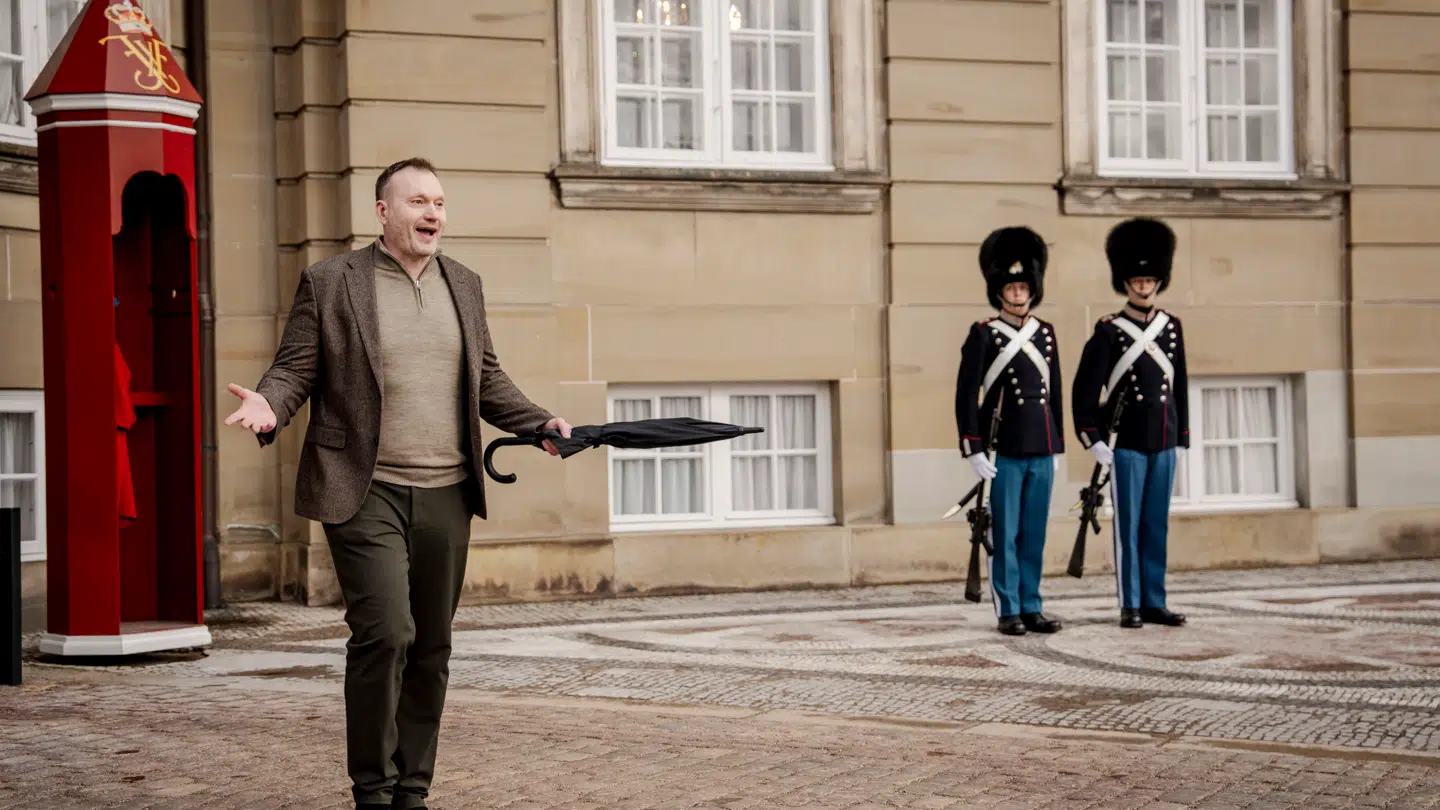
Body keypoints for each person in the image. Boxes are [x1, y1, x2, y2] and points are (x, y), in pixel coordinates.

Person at [223, 157, 572, 810]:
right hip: (364, 487)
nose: (432, 213)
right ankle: (373, 792)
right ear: (383, 212)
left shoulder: (463, 284)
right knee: (386, 632)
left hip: (447, 491)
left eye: (439, 202)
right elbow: (296, 367)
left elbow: (487, 378)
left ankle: (413, 791)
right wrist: (270, 404)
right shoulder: (332, 283)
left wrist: (539, 423)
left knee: (432, 646)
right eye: (417, 201)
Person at [1071, 217, 1189, 630]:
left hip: (1163, 438)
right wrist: (1093, 439)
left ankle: (1155, 600)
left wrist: (1182, 435)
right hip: (1126, 444)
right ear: (1125, 282)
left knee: (1156, 524)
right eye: (1137, 279)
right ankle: (1131, 603)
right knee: (1129, 528)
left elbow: (1179, 386)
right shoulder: (1108, 332)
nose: (1143, 286)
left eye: (1149, 279)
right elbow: (1084, 394)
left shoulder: (1171, 327)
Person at [954, 226, 1065, 636]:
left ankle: (1032, 604)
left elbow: (1054, 392)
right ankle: (1009, 608)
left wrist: (1058, 442)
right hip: (1004, 450)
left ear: (1032, 290)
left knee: (1034, 533)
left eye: (1023, 286)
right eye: (1011, 287)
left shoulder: (1046, 333)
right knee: (1006, 533)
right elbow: (967, 396)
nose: (1017, 293)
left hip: (1041, 445)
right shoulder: (983, 334)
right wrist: (974, 447)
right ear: (999, 291)